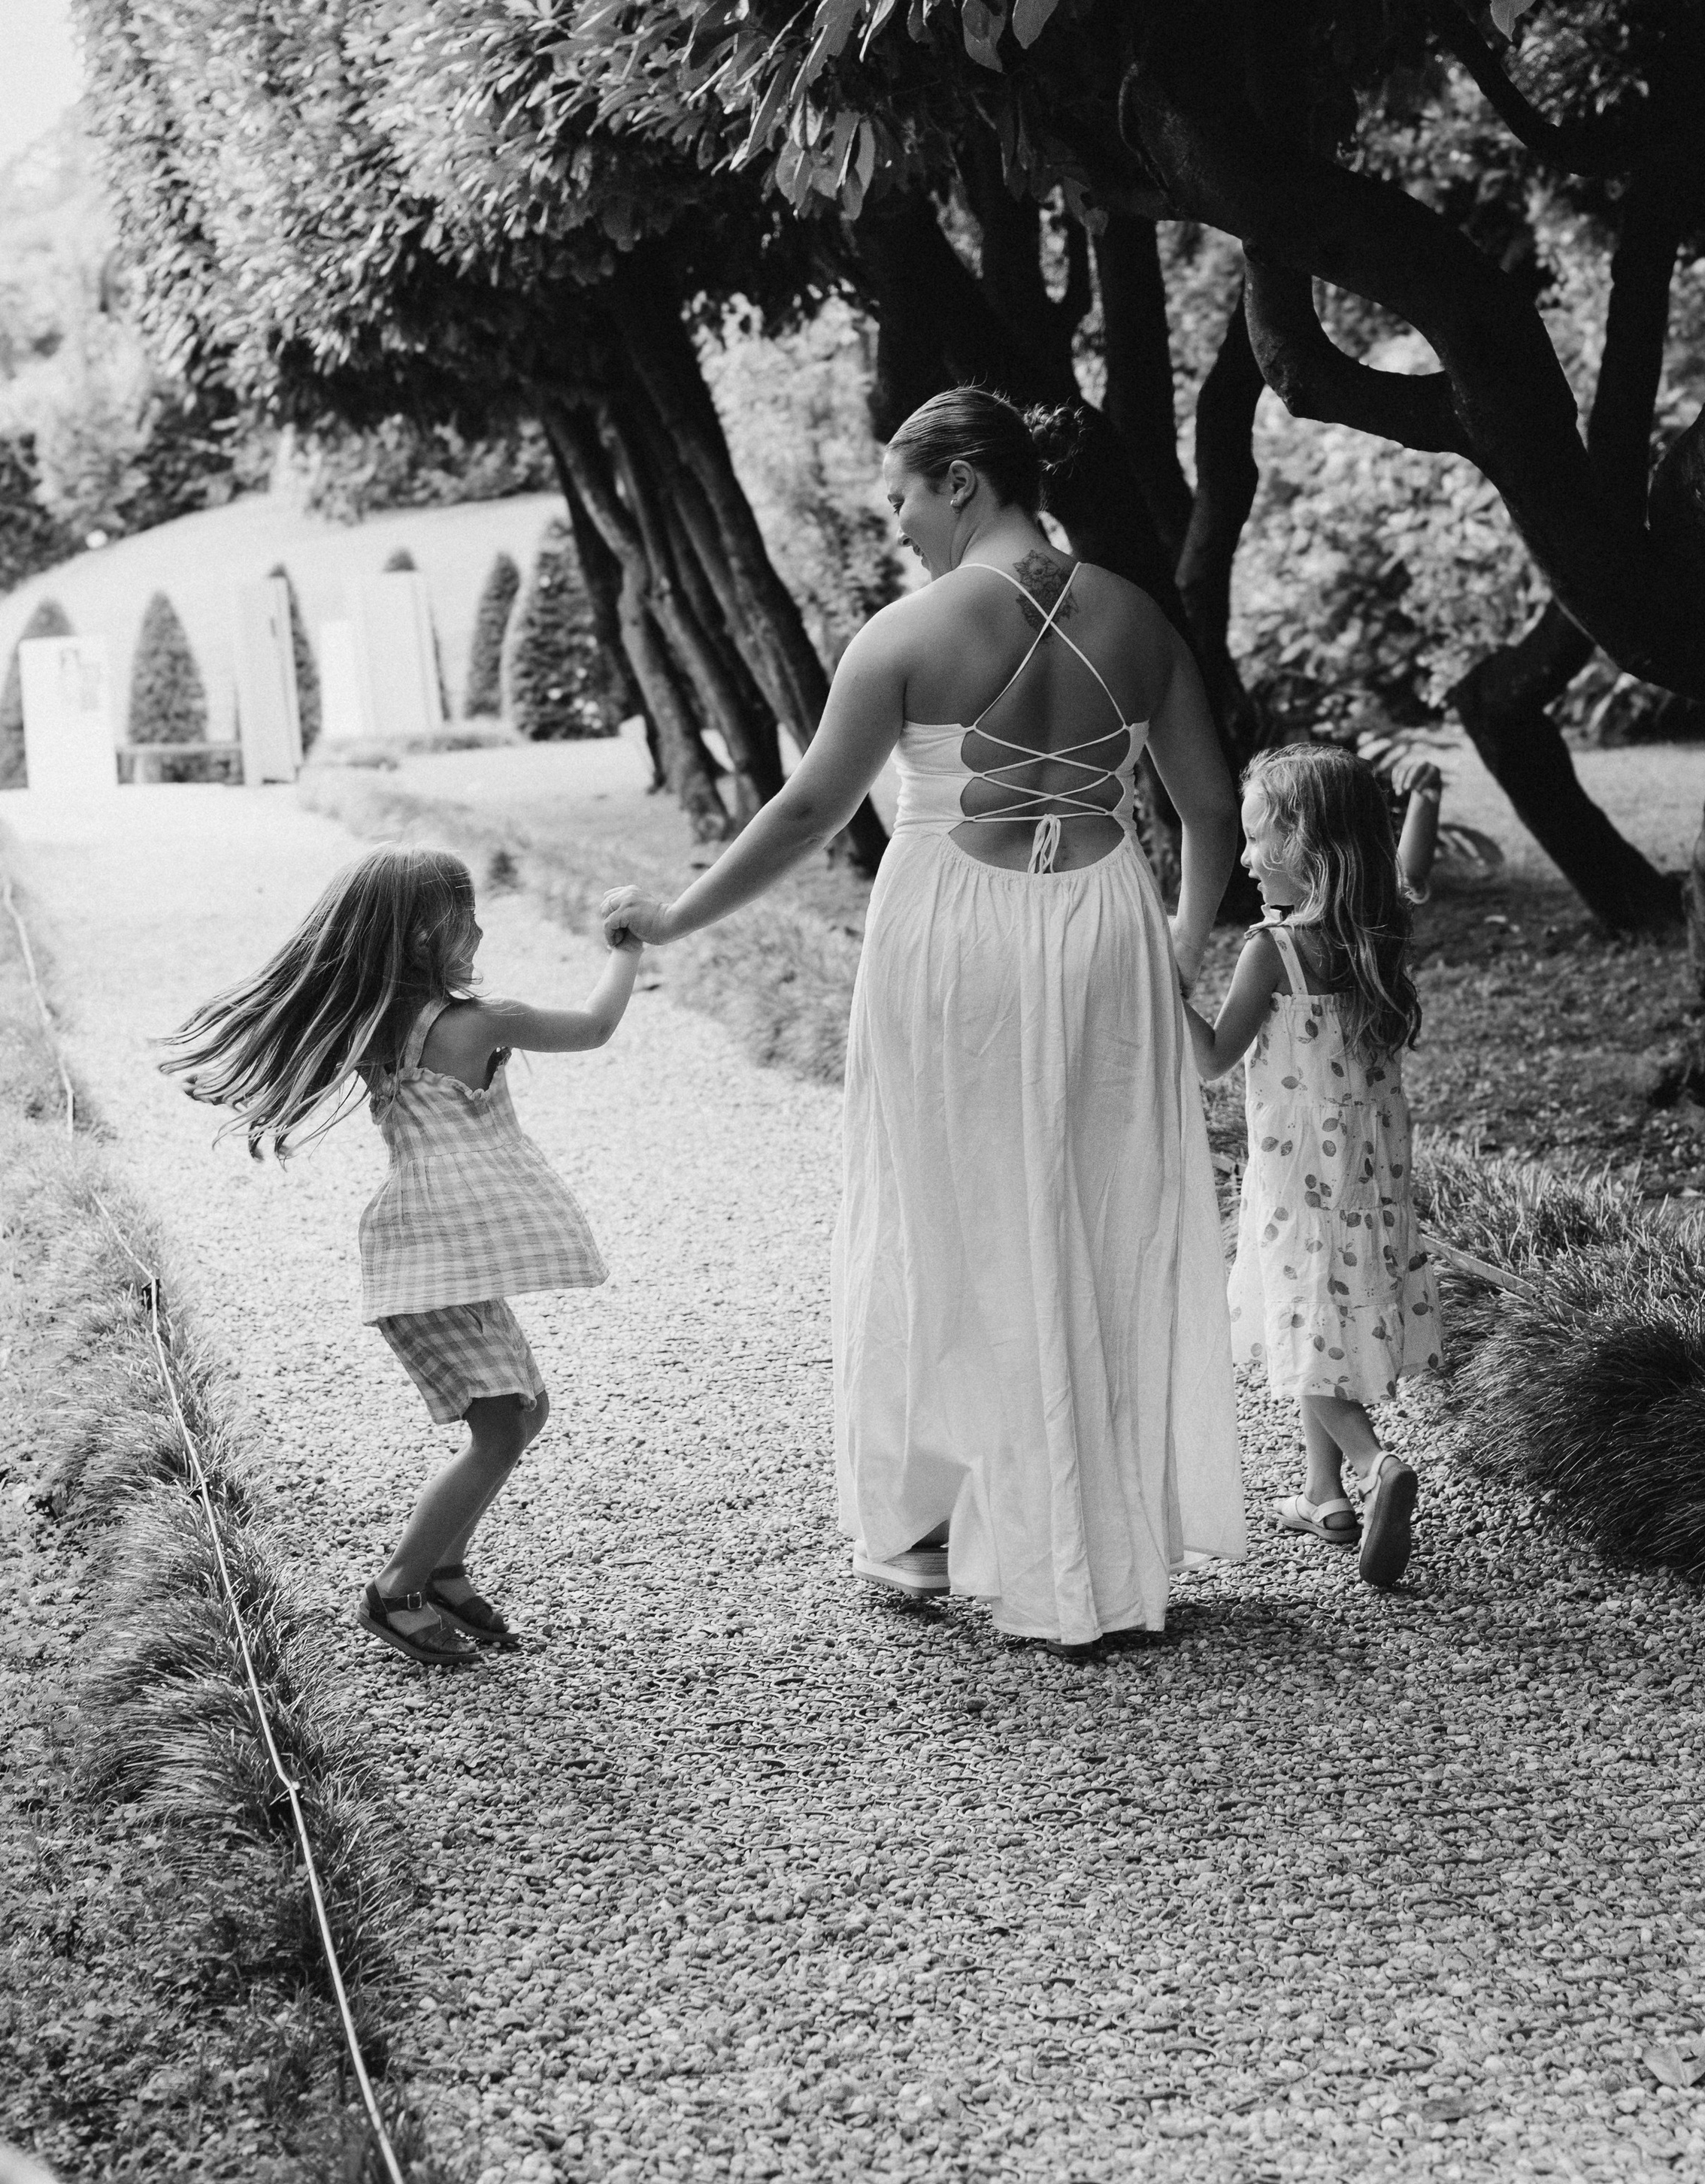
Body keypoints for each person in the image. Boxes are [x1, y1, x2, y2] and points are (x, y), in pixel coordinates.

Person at [602, 387, 1246, 1647]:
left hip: (955, 932)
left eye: (899, 493)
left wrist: (675, 920)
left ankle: (936, 1527)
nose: (894, 522)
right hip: (1104, 926)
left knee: (943, 1206)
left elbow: (801, 815)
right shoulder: (1138, 619)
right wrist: (1173, 947)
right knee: (1089, 1206)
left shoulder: (905, 634)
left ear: (961, 479)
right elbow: (1211, 813)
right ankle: (1087, 1529)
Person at [165, 846, 638, 1667]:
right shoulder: (476, 1024)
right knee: (501, 1430)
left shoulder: (377, 1021)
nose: (482, 928)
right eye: (468, 915)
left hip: (435, 1255)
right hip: (433, 1260)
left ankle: (447, 1572)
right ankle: (397, 1588)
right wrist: (627, 948)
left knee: (522, 1413)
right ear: (426, 935)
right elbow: (594, 1027)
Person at [1183, 747, 1444, 1590]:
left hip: (1296, 1174)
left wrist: (1160, 984)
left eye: (1261, 840)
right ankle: (1320, 1494)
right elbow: (1410, 866)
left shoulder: (1276, 949)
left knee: (1301, 1327)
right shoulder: (1381, 927)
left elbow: (1216, 1058)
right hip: (1371, 1172)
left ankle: (1375, 1468)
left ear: (1313, 845)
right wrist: (1424, 804)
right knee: (1320, 1317)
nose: (1249, 860)